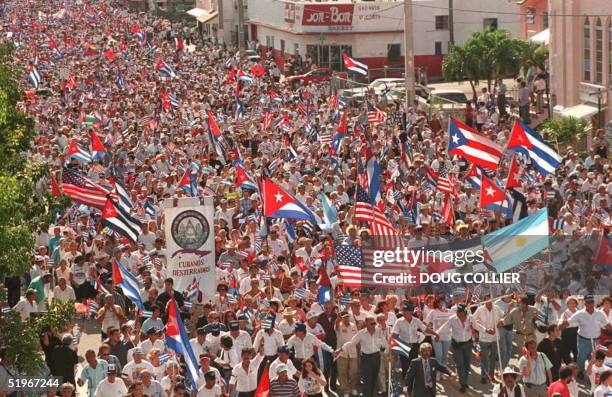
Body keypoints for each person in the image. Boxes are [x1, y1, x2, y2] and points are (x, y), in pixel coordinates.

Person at [560, 294, 611, 376]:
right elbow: (569, 321)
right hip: (583, 340)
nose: (590, 304)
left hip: (596, 340)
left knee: (594, 358)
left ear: (594, 303)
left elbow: (608, 325)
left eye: (591, 302)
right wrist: (560, 325)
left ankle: (593, 373)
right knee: (581, 358)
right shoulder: (579, 313)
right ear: (585, 303)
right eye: (588, 302)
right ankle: (580, 371)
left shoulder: (600, 313)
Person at [339, 316, 387, 397]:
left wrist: (388, 349)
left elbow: (384, 342)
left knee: (374, 379)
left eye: (374, 323)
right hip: (366, 358)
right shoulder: (361, 333)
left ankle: (371, 394)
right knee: (367, 380)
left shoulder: (378, 331)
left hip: (376, 357)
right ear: (367, 324)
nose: (374, 325)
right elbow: (351, 342)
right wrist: (341, 349)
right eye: (372, 323)